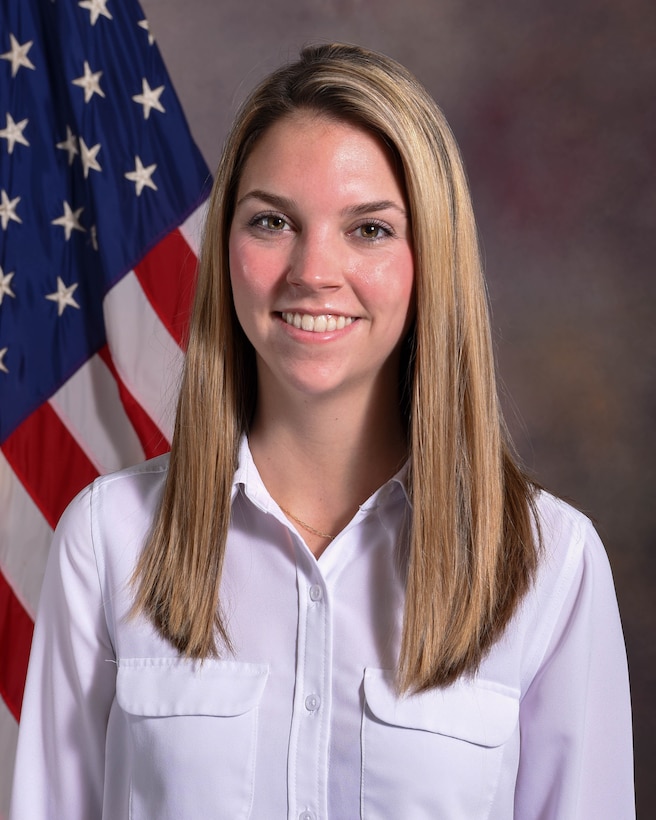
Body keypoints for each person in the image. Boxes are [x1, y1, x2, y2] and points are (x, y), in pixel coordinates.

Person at [10, 43, 634, 819]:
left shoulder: (550, 564)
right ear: (225, 248)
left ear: (429, 258)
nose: (312, 270)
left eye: (368, 230)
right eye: (272, 221)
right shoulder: (108, 538)